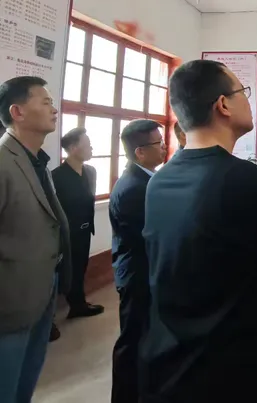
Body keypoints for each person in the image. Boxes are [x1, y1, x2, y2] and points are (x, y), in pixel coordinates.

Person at [141, 60, 257, 403]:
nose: (248, 100)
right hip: (236, 367)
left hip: (171, 362)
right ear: (223, 104)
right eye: (243, 92)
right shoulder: (254, 182)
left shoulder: (159, 182)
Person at [0, 76, 71, 402]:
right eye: (45, 102)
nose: (54, 109)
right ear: (17, 112)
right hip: (9, 304)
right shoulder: (3, 163)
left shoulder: (36, 159)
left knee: (24, 384)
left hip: (41, 292)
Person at [109, 119, 166, 403]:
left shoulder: (144, 179)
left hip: (142, 270)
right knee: (132, 341)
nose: (164, 147)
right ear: (140, 152)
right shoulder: (135, 187)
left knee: (145, 337)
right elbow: (150, 236)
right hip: (137, 274)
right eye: (158, 143)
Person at [52, 128, 105, 319]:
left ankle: (78, 305)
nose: (91, 148)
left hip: (85, 230)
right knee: (63, 272)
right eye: (87, 144)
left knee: (80, 267)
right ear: (74, 148)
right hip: (65, 234)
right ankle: (52, 316)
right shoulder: (56, 176)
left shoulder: (90, 172)